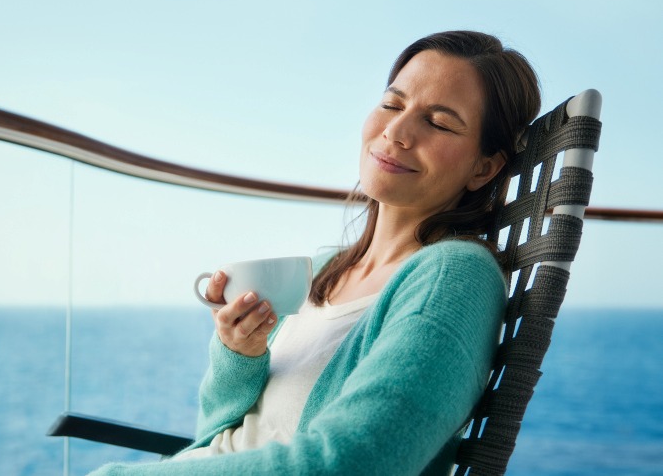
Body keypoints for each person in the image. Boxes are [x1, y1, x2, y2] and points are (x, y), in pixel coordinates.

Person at [90, 30, 541, 475]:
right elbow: (216, 435)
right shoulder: (326, 269)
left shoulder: (456, 277)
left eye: (439, 123)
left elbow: (353, 463)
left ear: (484, 167)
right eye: (392, 104)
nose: (396, 132)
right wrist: (240, 353)